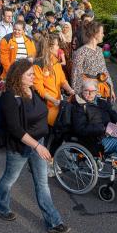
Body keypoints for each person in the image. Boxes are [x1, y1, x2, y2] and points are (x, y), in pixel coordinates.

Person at [0, 59, 71, 233]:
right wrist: (37, 146)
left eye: (33, 73)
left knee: (42, 183)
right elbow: (15, 129)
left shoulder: (31, 90)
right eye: (29, 74)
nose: (33, 77)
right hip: (20, 147)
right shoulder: (9, 97)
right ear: (18, 76)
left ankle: (53, 221)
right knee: (9, 179)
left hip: (38, 143)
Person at [33, 34, 75, 176]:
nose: (59, 47)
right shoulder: (38, 64)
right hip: (45, 105)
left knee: (60, 131)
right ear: (49, 47)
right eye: (57, 45)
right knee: (53, 133)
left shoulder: (56, 62)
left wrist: (70, 90)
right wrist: (53, 100)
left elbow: (62, 80)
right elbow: (39, 88)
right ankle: (46, 162)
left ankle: (51, 158)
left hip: (57, 103)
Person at [71, 21, 115, 101]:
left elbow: (104, 70)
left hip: (100, 91)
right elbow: (76, 74)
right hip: (87, 92)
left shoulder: (99, 50)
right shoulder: (81, 51)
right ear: (95, 34)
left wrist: (111, 88)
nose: (103, 35)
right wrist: (76, 96)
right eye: (102, 32)